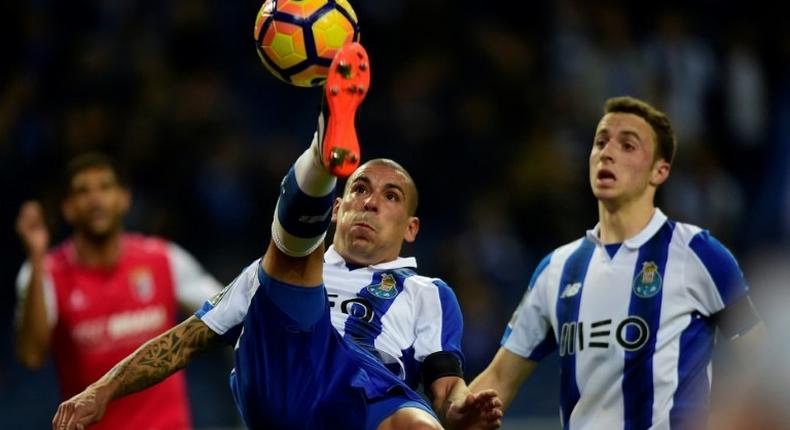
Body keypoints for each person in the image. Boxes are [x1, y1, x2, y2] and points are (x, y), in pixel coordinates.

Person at [52, 42, 502, 430]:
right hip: (285, 378)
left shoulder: (429, 294)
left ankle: (323, 154)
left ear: (411, 228)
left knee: (418, 420)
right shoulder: (264, 277)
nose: (370, 202)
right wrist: (102, 390)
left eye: (391, 196)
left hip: (365, 395)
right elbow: (186, 340)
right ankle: (325, 149)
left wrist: (460, 412)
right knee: (291, 268)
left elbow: (446, 386)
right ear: (338, 209)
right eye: (360, 189)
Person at [469, 96, 766, 429]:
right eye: (600, 142)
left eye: (627, 145)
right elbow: (499, 377)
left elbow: (764, 362)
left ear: (660, 171)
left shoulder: (698, 253)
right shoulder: (557, 269)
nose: (607, 152)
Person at [15, 152, 223, 430]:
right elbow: (30, 356)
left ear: (125, 198)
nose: (96, 199)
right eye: (82, 191)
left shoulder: (165, 259)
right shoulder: (43, 273)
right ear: (68, 207)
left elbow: (230, 316)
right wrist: (37, 256)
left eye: (105, 187)